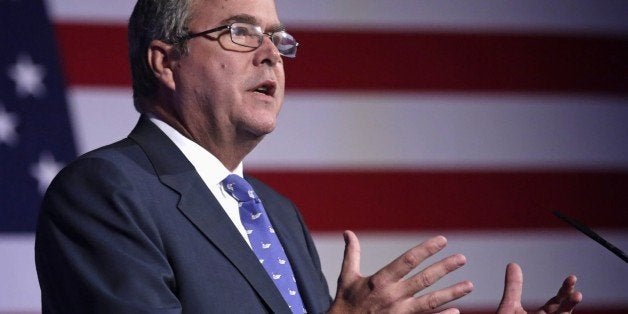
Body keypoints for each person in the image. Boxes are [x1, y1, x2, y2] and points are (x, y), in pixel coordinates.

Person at [35, 0, 583, 313]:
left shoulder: (275, 214)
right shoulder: (106, 192)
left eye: (277, 38)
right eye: (240, 33)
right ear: (165, 61)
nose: (272, 53)